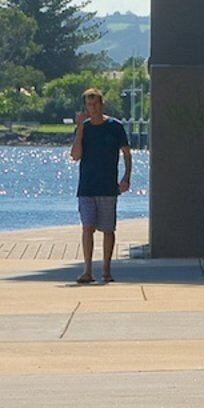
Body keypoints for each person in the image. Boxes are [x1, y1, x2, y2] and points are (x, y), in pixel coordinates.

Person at [70, 87, 132, 286]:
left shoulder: (115, 127)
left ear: (101, 104)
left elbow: (126, 153)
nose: (92, 108)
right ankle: (87, 270)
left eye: (95, 103)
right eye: (89, 104)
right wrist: (80, 128)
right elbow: (75, 155)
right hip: (87, 186)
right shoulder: (84, 128)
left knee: (107, 229)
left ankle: (106, 269)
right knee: (87, 227)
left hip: (107, 186)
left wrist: (126, 177)